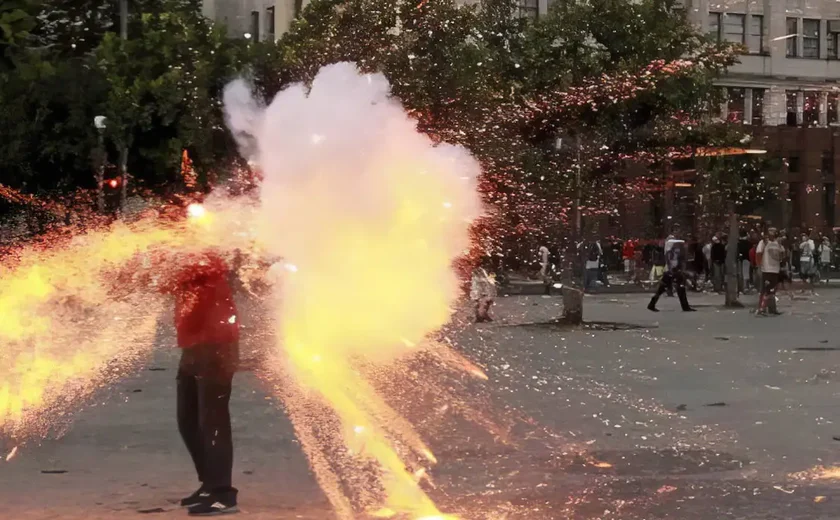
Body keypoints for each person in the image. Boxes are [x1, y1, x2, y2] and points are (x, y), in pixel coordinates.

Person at [161, 250, 241, 516]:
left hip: (217, 346)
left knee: (212, 421)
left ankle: (223, 494)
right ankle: (209, 483)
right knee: (188, 419)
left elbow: (170, 279)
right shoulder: (183, 254)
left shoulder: (204, 256)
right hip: (193, 346)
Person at [648, 240, 695, 312]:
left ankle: (652, 304)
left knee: (663, 289)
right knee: (679, 288)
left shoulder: (672, 253)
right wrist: (675, 270)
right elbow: (671, 262)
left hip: (670, 272)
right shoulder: (671, 253)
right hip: (672, 272)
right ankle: (685, 307)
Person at [757, 228, 783, 316]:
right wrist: (759, 266)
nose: (773, 233)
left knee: (773, 290)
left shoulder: (778, 243)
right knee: (766, 290)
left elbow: (782, 255)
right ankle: (761, 309)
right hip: (766, 269)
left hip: (775, 270)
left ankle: (772, 308)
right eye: (771, 231)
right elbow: (758, 254)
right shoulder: (763, 242)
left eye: (774, 231)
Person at [737, 230, 752, 294]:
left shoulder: (738, 243)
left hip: (739, 260)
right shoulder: (749, 243)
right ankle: (746, 287)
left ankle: (741, 288)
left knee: (740, 274)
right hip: (747, 259)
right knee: (746, 274)